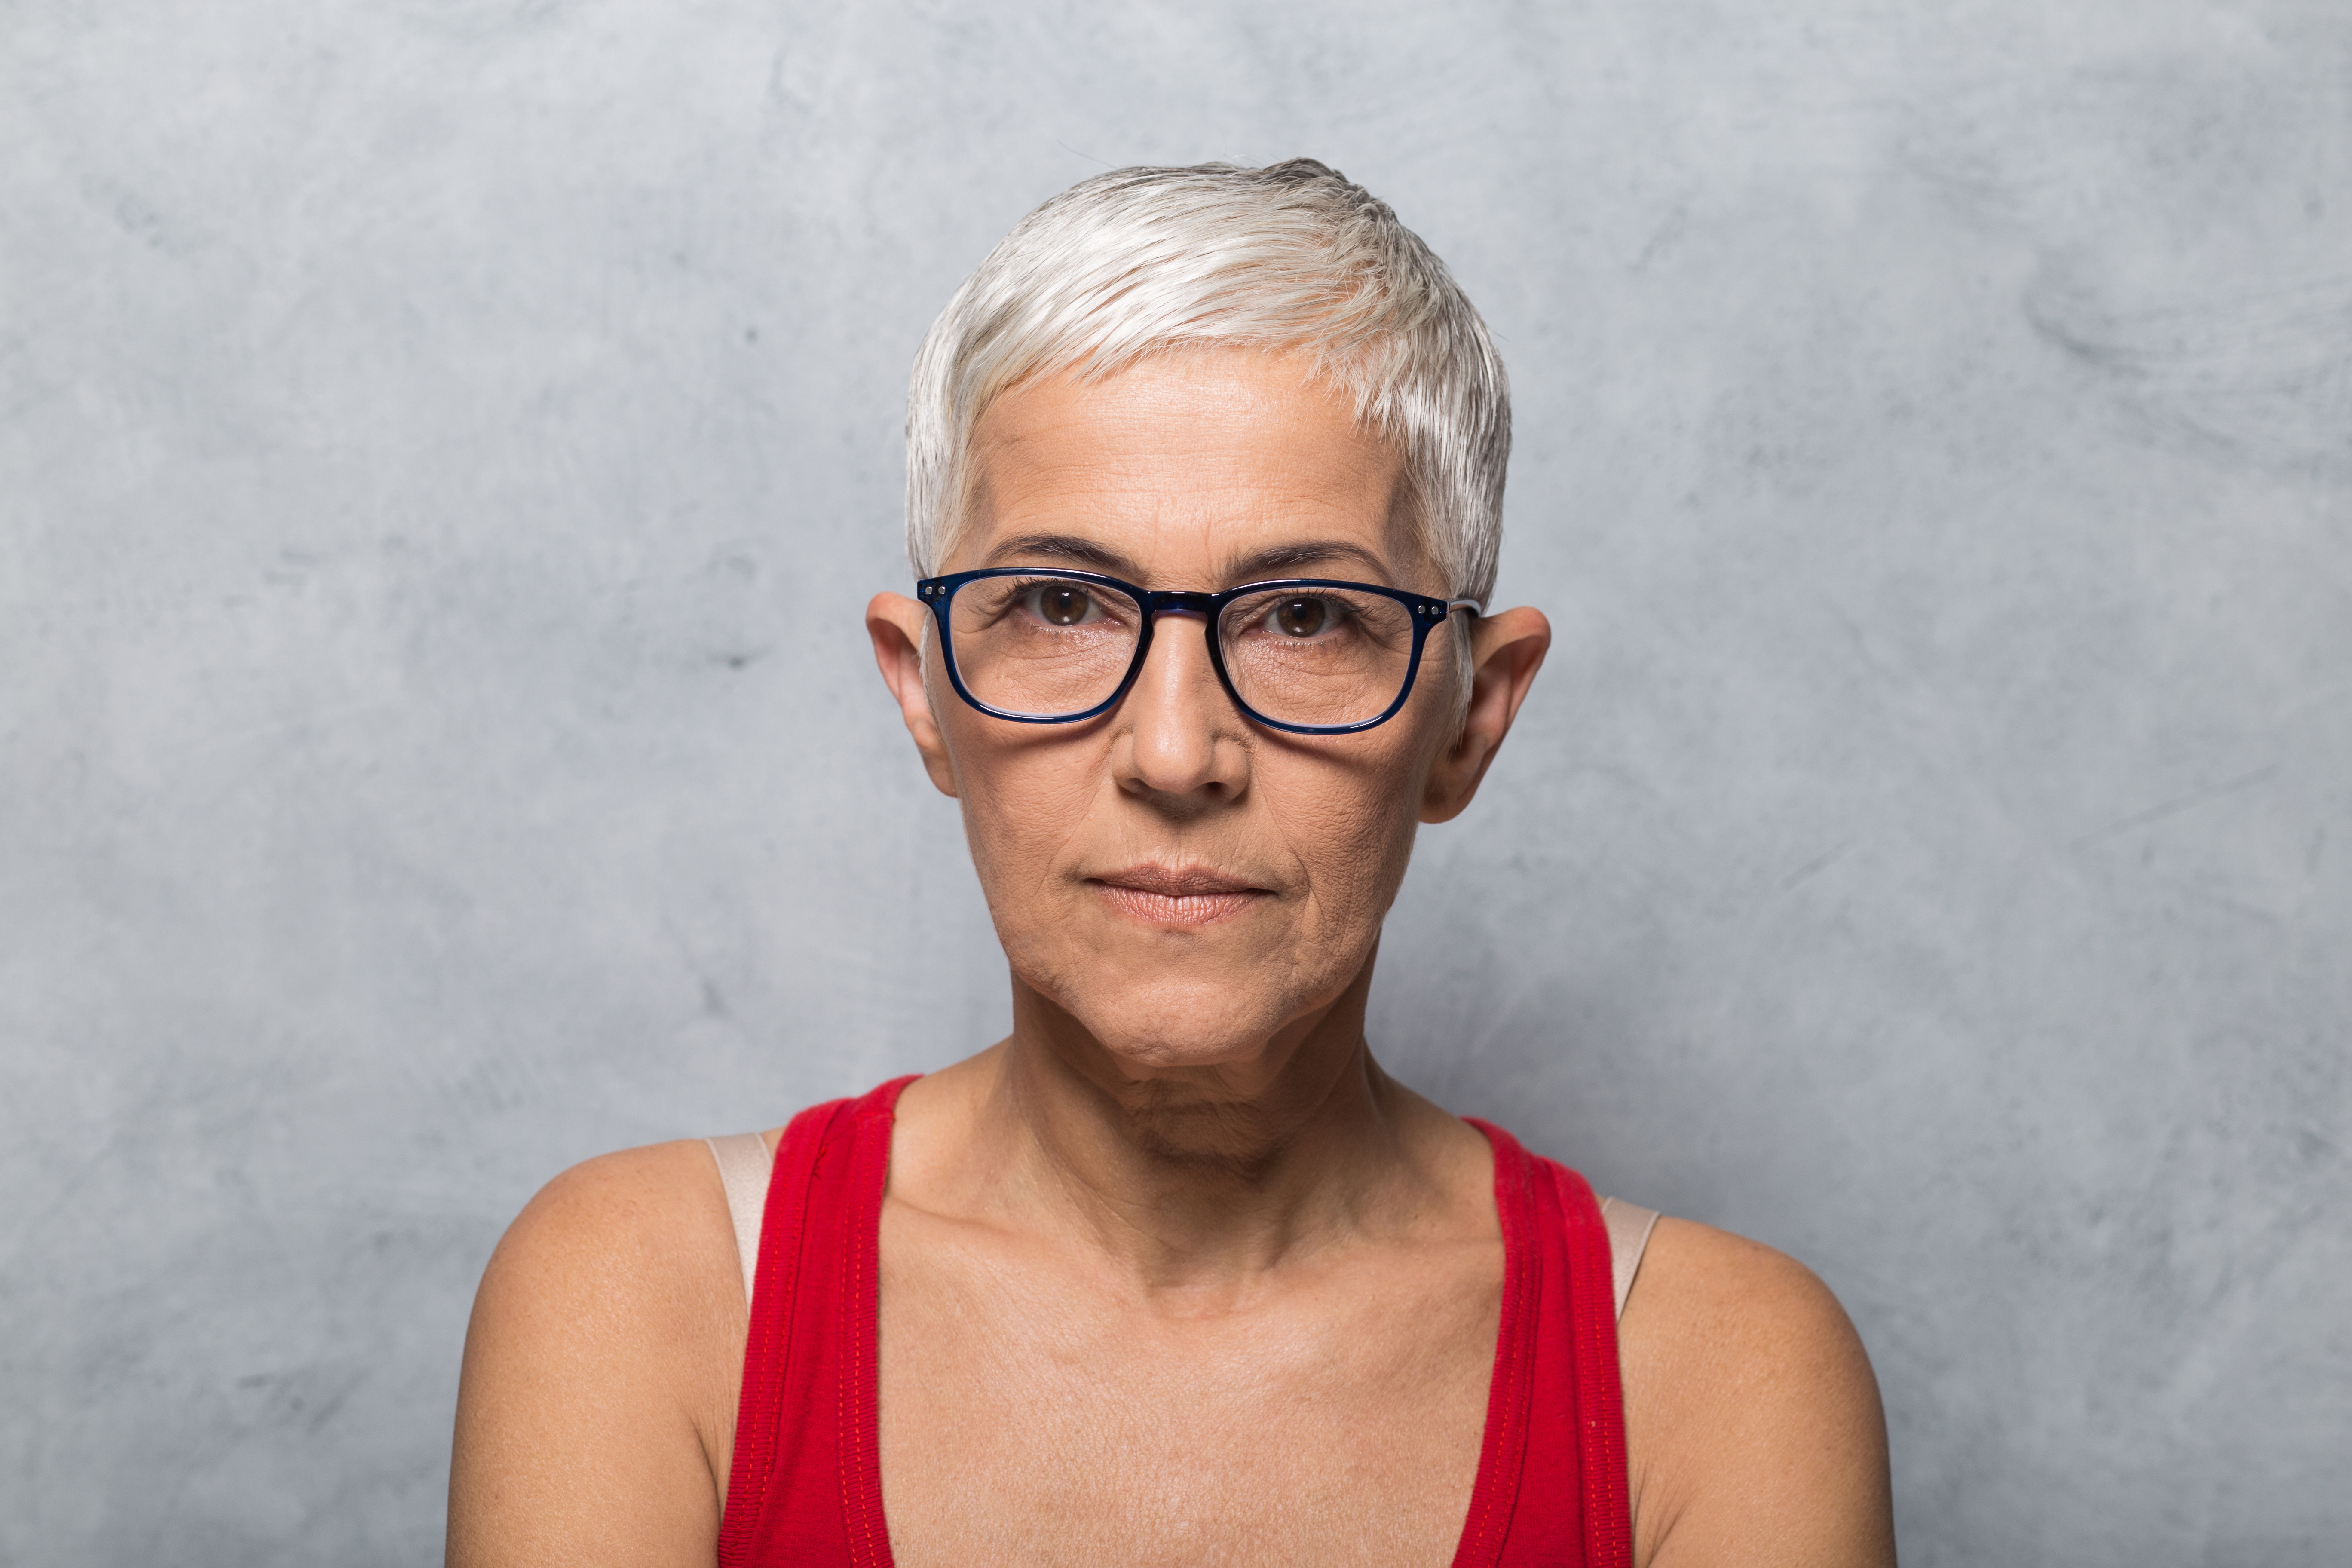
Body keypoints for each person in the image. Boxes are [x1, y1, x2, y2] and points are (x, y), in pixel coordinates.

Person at [447, 159, 1896, 1568]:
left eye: (1308, 617)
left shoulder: (1712, 1379)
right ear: (922, 690)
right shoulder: (647, 1301)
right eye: (1063, 602)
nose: (1175, 752)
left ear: (1471, 721)